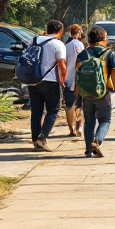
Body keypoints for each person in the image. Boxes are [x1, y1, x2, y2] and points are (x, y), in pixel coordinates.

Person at [75, 25, 115, 158]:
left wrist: (77, 94)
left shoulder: (82, 54)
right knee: (105, 120)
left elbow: (77, 75)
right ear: (103, 39)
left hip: (86, 93)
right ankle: (97, 140)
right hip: (104, 92)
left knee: (89, 120)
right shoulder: (110, 53)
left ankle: (88, 149)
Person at [28, 19, 68, 152]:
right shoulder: (58, 44)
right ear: (60, 31)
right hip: (50, 81)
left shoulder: (34, 40)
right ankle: (42, 137)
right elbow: (61, 65)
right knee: (53, 110)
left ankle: (35, 139)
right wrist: (63, 80)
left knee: (36, 112)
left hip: (33, 80)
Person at [62, 23, 85, 137]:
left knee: (69, 105)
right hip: (79, 79)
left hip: (67, 79)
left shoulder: (66, 46)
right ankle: (79, 127)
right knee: (80, 104)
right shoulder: (80, 45)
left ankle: (71, 129)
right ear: (79, 33)